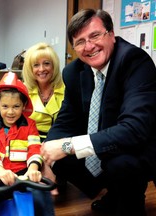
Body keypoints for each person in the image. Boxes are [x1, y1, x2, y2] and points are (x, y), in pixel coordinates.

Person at [41, 8, 156, 216]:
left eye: (95, 35)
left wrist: (68, 145)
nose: (89, 46)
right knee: (57, 153)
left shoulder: (134, 61)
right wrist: (47, 157)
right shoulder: (73, 72)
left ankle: (131, 201)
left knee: (119, 163)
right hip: (108, 141)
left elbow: (134, 130)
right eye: (80, 41)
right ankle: (108, 191)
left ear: (111, 34)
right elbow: (64, 122)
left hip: (143, 144)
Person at [0, 72, 55, 216]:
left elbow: (35, 149)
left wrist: (33, 169)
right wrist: (0, 171)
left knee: (41, 192)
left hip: (24, 173)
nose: (10, 112)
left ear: (24, 105)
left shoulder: (30, 126)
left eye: (16, 106)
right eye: (5, 106)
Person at [22, 42, 65, 194]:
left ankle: (48, 177)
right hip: (30, 138)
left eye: (46, 63)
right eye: (36, 65)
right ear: (30, 69)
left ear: (54, 66)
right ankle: (47, 178)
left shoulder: (65, 88)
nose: (41, 69)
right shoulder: (24, 91)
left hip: (58, 138)